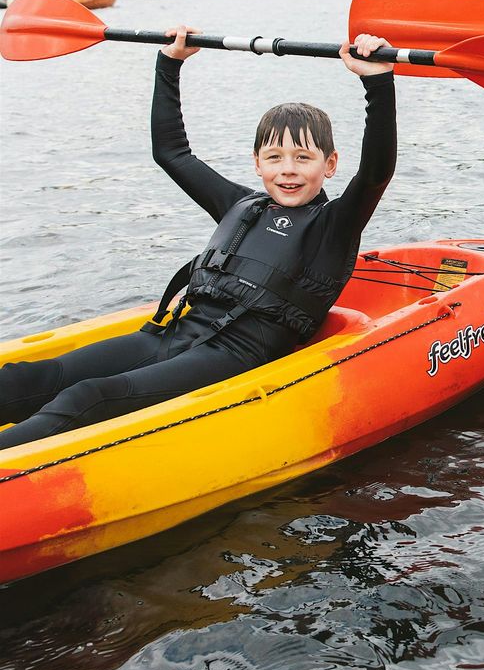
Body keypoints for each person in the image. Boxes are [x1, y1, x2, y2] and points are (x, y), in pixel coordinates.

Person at [0, 29, 397, 450]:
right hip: (173, 333)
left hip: (235, 355)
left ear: (330, 165)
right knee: (40, 377)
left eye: (303, 157)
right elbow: (171, 152)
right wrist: (169, 64)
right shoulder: (240, 205)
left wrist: (377, 81)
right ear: (257, 164)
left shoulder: (334, 224)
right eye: (274, 157)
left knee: (90, 397)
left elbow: (376, 171)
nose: (288, 170)